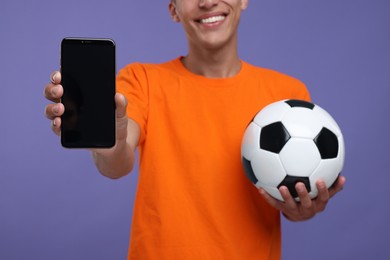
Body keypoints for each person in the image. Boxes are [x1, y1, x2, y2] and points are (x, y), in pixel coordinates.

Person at [44, 0, 346, 259]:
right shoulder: (142, 80)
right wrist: (109, 141)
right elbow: (116, 164)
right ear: (174, 9)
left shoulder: (287, 95)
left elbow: (290, 198)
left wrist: (299, 209)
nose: (207, 1)